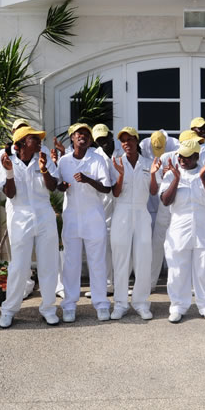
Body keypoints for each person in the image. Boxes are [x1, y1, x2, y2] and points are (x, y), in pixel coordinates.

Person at [0, 126, 61, 328]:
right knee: (19, 265)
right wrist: (8, 172)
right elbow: (10, 193)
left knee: (48, 263)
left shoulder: (43, 157)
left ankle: (49, 308)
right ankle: (9, 310)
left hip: (44, 213)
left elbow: (53, 187)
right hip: (20, 214)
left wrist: (43, 169)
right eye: (35, 138)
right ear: (22, 142)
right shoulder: (8, 161)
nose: (40, 141)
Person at [160, 139, 205, 323]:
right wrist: (176, 179)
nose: (182, 160)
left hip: (204, 227)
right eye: (180, 156)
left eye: (187, 157)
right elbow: (165, 200)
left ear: (197, 156)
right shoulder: (172, 174)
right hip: (179, 227)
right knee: (178, 269)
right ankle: (178, 306)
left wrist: (203, 177)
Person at [57, 123, 112, 323]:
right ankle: (69, 305)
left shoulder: (97, 159)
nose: (83, 137)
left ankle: (101, 304)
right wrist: (62, 186)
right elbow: (58, 185)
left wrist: (88, 180)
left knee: (97, 262)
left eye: (87, 134)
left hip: (93, 217)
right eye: (79, 134)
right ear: (72, 138)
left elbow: (107, 188)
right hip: (72, 218)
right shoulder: (63, 161)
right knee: (71, 263)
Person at [109, 127, 157, 320]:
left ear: (137, 142)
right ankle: (120, 303)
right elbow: (115, 192)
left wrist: (153, 174)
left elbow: (154, 192)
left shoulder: (148, 163)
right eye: (123, 141)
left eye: (130, 140)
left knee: (143, 258)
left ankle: (141, 302)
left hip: (141, 212)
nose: (127, 143)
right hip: (121, 212)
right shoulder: (116, 162)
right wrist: (120, 174)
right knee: (120, 260)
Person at [143, 130, 179, 292]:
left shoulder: (181, 152)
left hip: (181, 209)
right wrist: (165, 177)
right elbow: (156, 187)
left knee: (179, 248)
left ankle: (180, 283)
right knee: (157, 245)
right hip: (163, 208)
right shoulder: (162, 158)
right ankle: (150, 282)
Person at [91, 123, 116, 296]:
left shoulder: (124, 151)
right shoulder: (95, 156)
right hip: (104, 203)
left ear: (111, 136)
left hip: (123, 202)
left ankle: (122, 282)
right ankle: (108, 284)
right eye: (99, 140)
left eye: (105, 138)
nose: (103, 142)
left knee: (122, 244)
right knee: (106, 244)